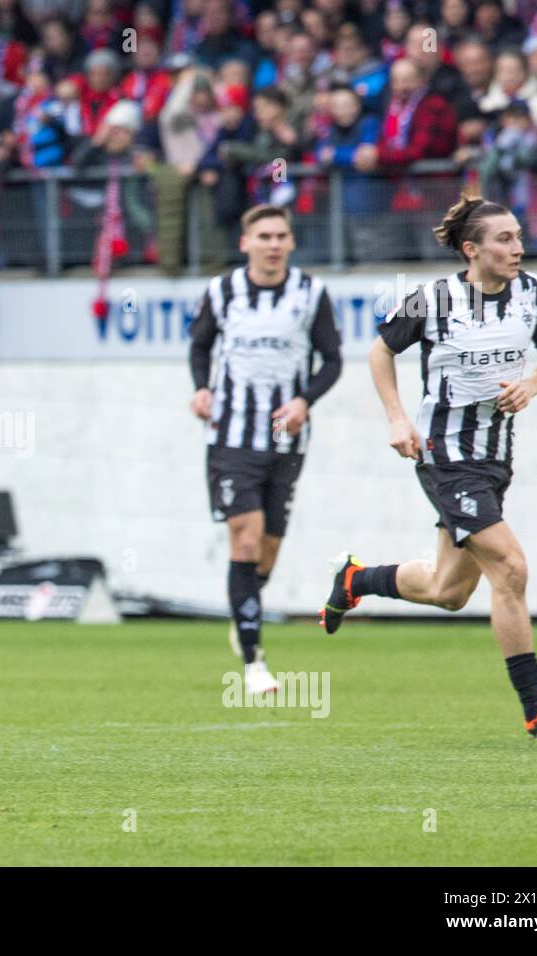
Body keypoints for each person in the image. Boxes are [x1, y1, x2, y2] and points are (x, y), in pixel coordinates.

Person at [320, 195, 537, 740]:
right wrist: (398, 419)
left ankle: (356, 579)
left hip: (494, 458)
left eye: (518, 237)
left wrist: (532, 384)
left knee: (449, 592)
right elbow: (379, 352)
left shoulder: (534, 294)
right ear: (472, 250)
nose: (519, 247)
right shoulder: (433, 300)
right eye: (505, 240)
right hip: (446, 455)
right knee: (511, 568)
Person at [188, 204, 342, 695]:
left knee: (269, 550)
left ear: (291, 243)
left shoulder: (311, 294)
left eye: (281, 236)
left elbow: (333, 360)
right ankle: (254, 664)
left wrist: (304, 400)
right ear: (245, 243)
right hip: (231, 437)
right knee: (247, 539)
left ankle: (244, 613)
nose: (273, 244)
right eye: (264, 236)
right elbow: (200, 347)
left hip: (286, 438)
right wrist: (201, 389)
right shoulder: (221, 291)